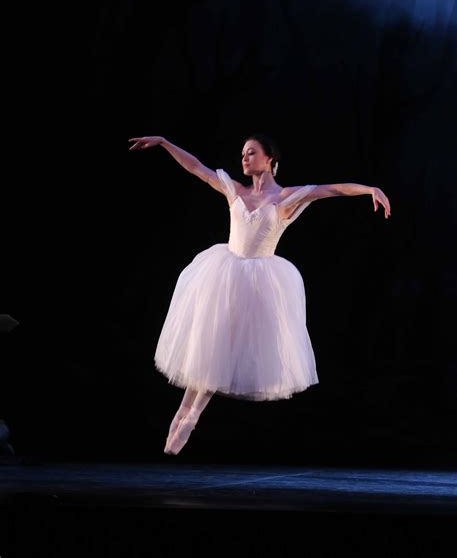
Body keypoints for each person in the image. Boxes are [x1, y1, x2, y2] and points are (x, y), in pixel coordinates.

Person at [128, 133, 391, 455]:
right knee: (211, 344)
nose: (244, 158)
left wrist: (370, 189)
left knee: (225, 347)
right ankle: (185, 412)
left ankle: (192, 413)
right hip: (223, 272)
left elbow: (332, 190)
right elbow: (196, 168)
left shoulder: (286, 198)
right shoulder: (234, 190)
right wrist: (165, 143)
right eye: (242, 154)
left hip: (260, 281)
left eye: (251, 153)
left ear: (270, 159)